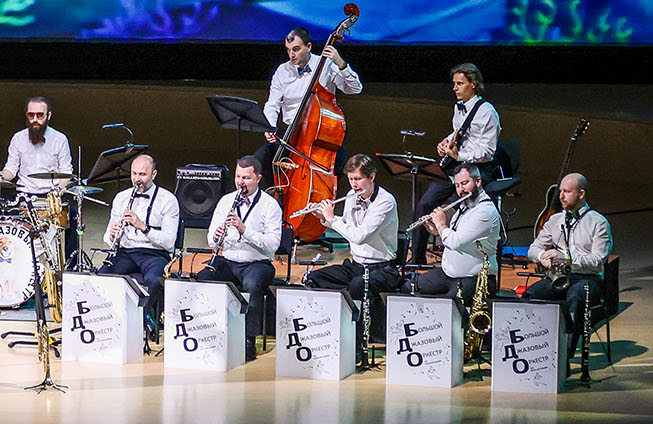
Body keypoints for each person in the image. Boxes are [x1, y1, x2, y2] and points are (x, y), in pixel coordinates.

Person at [411, 62, 501, 265]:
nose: (455, 88)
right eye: (454, 83)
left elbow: (488, 151)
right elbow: (458, 132)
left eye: (460, 83)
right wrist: (445, 142)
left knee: (457, 207)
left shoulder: (488, 112)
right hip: (457, 165)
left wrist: (460, 155)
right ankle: (417, 258)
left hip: (477, 168)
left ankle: (459, 258)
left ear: (473, 84)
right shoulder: (458, 107)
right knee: (425, 203)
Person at [302, 154, 401, 338]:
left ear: (372, 177)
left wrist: (332, 218)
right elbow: (347, 226)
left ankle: (354, 339)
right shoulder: (351, 196)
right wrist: (324, 218)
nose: (354, 184)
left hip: (382, 269)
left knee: (357, 286)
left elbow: (359, 236)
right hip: (356, 265)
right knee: (314, 278)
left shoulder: (385, 202)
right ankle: (325, 331)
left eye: (358, 179)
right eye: (350, 179)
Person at [199, 156, 282, 361]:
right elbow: (210, 237)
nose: (240, 182)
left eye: (246, 178)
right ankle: (207, 333)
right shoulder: (226, 201)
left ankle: (248, 340)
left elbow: (273, 244)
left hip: (257, 262)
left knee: (252, 285)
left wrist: (245, 230)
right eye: (238, 176)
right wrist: (216, 237)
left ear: (258, 178)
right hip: (229, 260)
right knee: (203, 278)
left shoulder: (270, 205)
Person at [256, 26, 362, 186]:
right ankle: (276, 198)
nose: (291, 55)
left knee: (338, 165)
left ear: (309, 47)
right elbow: (272, 104)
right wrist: (269, 127)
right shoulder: (282, 71)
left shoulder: (325, 64)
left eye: (296, 49)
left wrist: (341, 64)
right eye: (288, 50)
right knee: (259, 161)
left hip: (320, 134)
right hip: (291, 134)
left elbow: (355, 89)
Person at [99, 153, 178, 335]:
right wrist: (112, 234)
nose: (137, 179)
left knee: (154, 281)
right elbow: (107, 237)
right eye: (134, 174)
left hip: (154, 253)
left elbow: (169, 241)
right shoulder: (121, 198)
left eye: (142, 174)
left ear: (154, 174)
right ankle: (109, 322)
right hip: (126, 251)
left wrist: (143, 227)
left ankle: (142, 321)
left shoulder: (168, 200)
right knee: (103, 276)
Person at [0, 96, 76, 259]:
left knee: (73, 217)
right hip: (24, 196)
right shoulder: (18, 138)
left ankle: (69, 266)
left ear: (48, 115)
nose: (35, 119)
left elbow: (66, 172)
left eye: (40, 115)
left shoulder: (60, 139)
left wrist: (56, 193)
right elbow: (11, 170)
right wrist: (0, 175)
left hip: (51, 195)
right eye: (31, 115)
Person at [526, 173, 612, 330]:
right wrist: (542, 255)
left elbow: (597, 261)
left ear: (581, 194)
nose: (561, 196)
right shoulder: (555, 220)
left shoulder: (598, 222)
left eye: (567, 191)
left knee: (576, 298)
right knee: (531, 295)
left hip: (587, 279)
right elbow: (533, 249)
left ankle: (569, 343)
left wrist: (564, 258)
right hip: (558, 277)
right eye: (560, 191)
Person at [413, 162, 502, 304]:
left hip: (473, 279)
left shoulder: (485, 212)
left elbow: (455, 242)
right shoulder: (464, 206)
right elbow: (455, 239)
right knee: (410, 287)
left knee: (447, 306)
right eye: (457, 185)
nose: (461, 190)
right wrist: (437, 231)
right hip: (449, 275)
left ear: (478, 181)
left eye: (465, 183)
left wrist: (441, 224)